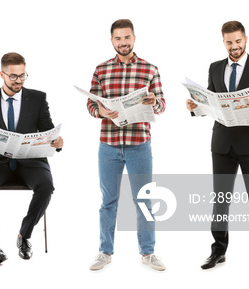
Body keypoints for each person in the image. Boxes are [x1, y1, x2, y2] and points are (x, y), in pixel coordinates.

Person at [187, 20, 249, 271]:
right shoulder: (215, 68)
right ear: (224, 42)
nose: (234, 46)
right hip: (222, 144)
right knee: (220, 200)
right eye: (229, 42)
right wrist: (197, 107)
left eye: (238, 41)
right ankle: (218, 251)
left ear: (245, 39)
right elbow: (210, 99)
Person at [0, 52, 64, 271]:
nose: (18, 81)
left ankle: (24, 235)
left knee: (46, 185)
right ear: (2, 74)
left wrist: (56, 142)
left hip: (31, 161)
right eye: (13, 77)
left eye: (22, 75)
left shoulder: (38, 98)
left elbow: (48, 131)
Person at [86, 19, 166, 271]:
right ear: (112, 41)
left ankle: (148, 252)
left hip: (139, 144)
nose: (123, 42)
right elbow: (90, 104)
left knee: (144, 200)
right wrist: (101, 111)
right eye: (118, 38)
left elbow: (162, 105)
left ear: (134, 38)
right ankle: (105, 251)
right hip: (108, 145)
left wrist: (153, 101)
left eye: (127, 37)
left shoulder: (149, 69)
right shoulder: (101, 70)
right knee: (108, 200)